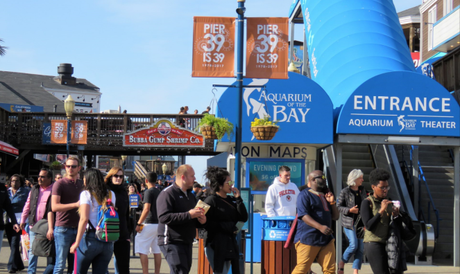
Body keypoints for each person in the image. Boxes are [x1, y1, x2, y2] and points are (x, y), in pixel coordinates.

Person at [157, 164, 206, 274]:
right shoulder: (167, 193)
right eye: (192, 176)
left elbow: (191, 218)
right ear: (183, 177)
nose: (195, 179)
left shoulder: (191, 196)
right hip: (171, 240)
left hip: (186, 240)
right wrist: (189, 215)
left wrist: (201, 221)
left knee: (183, 270)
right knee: (179, 271)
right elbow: (164, 217)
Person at [361, 168, 408, 274]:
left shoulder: (388, 201)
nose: (385, 190)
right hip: (374, 243)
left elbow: (396, 226)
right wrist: (381, 211)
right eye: (382, 187)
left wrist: (396, 215)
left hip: (390, 243)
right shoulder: (367, 202)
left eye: (387, 187)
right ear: (373, 187)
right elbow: (368, 225)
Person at [292, 170, 339, 274]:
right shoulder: (304, 195)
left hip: (326, 239)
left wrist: (332, 202)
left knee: (330, 270)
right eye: (322, 177)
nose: (324, 179)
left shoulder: (325, 195)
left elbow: (336, 217)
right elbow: (303, 215)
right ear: (313, 180)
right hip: (308, 238)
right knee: (302, 270)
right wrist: (321, 227)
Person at [70, 168, 116, 274]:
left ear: (88, 179)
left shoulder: (86, 194)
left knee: (78, 271)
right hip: (107, 239)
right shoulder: (111, 194)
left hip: (90, 238)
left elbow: (84, 219)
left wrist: (76, 242)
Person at [203, 167, 248, 274]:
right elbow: (205, 222)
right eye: (229, 182)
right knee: (220, 271)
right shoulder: (211, 200)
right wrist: (225, 226)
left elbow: (243, 218)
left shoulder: (232, 200)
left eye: (232, 182)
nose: (231, 184)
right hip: (214, 243)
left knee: (224, 271)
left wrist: (238, 199)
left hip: (229, 242)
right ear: (219, 185)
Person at [52, 156, 83, 274]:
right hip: (63, 228)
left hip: (79, 228)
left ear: (79, 168)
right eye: (68, 166)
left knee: (75, 265)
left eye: (73, 166)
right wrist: (76, 204)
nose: (70, 168)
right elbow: (54, 207)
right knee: (60, 264)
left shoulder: (81, 184)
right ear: (65, 167)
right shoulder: (59, 184)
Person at [20, 168, 55, 274]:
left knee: (49, 251)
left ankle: (49, 272)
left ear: (49, 178)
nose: (39, 179)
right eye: (39, 176)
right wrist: (23, 219)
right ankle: (31, 272)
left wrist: (51, 227)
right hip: (33, 225)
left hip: (48, 226)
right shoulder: (35, 188)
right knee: (32, 250)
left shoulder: (55, 189)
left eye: (42, 177)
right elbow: (27, 205)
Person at [337, 169, 368, 274]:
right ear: (354, 179)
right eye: (360, 178)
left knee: (360, 248)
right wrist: (350, 210)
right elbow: (338, 207)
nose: (362, 180)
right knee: (353, 245)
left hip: (361, 223)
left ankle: (355, 271)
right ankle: (342, 262)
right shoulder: (345, 191)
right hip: (349, 223)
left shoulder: (362, 190)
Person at [105, 167, 131, 274]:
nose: (118, 178)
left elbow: (126, 214)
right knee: (102, 266)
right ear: (110, 177)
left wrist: (128, 235)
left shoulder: (123, 191)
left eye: (121, 176)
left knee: (123, 267)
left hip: (122, 234)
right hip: (107, 232)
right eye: (116, 176)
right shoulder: (105, 190)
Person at [135, 172, 162, 274]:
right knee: (157, 250)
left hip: (149, 223)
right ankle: (157, 272)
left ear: (146, 181)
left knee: (142, 250)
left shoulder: (148, 192)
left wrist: (139, 223)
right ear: (156, 180)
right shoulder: (159, 192)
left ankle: (145, 272)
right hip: (158, 224)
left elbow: (146, 209)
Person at [6, 174, 30, 273]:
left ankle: (11, 266)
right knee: (11, 244)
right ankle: (19, 264)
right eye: (12, 181)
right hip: (8, 220)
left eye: (17, 181)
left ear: (20, 182)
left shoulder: (25, 192)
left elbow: (28, 205)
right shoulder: (6, 192)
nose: (14, 182)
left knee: (15, 243)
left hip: (20, 220)